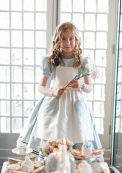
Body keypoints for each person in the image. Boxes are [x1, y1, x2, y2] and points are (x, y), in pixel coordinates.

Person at [17, 21, 102, 153]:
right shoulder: (51, 60)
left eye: (71, 38)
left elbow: (89, 87)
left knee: (77, 136)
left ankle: (74, 167)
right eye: (63, 39)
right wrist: (53, 92)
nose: (68, 43)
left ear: (77, 40)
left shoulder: (83, 61)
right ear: (58, 40)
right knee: (52, 137)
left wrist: (81, 85)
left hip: (75, 106)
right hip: (55, 104)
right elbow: (41, 87)